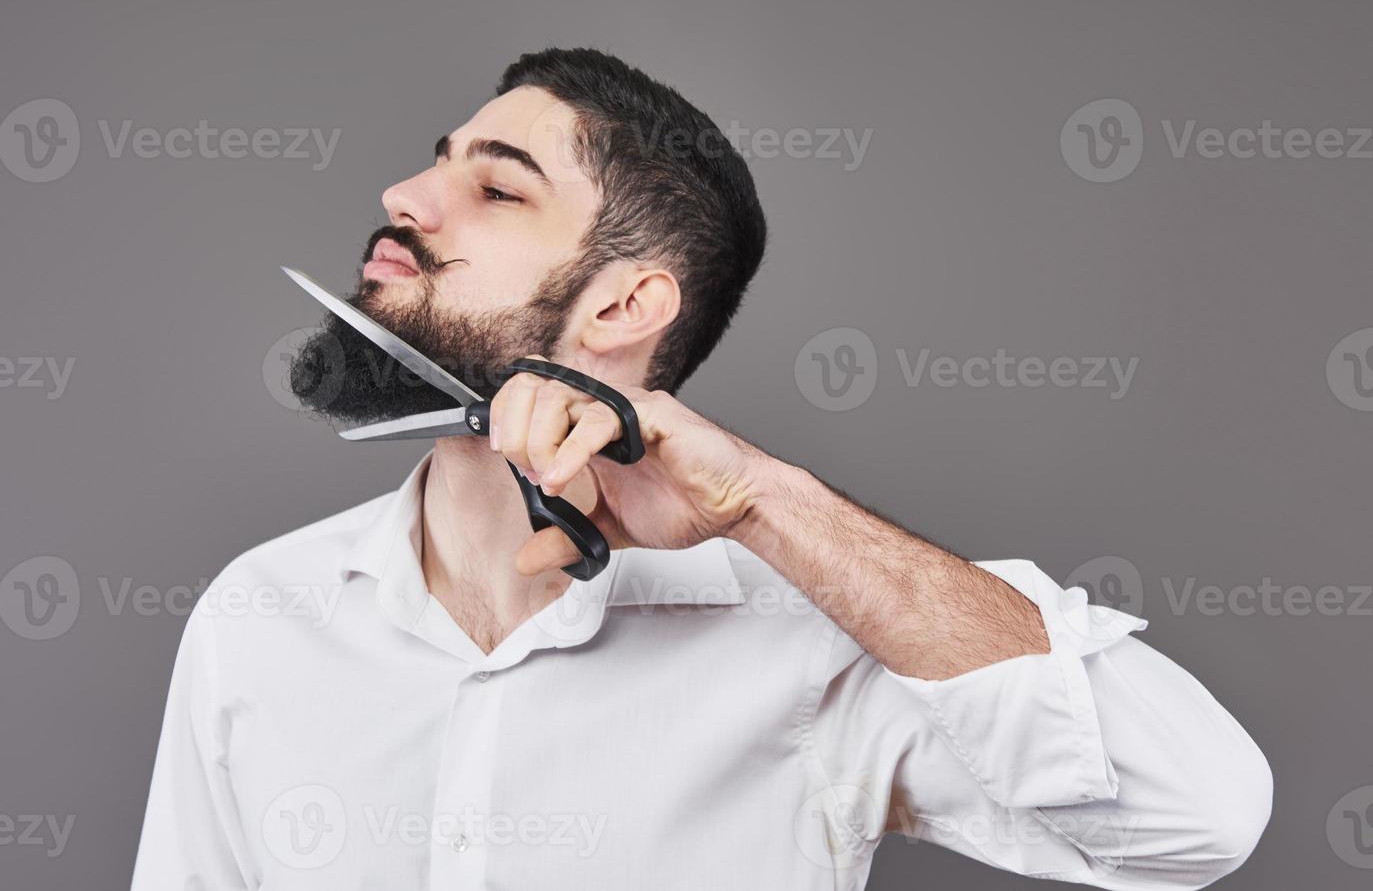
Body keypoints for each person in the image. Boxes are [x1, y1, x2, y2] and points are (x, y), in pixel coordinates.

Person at [132, 48, 1271, 889]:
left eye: (496, 186)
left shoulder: (813, 637)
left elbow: (1198, 817)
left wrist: (764, 504)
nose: (407, 197)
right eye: (437, 165)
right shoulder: (261, 614)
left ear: (625, 304)